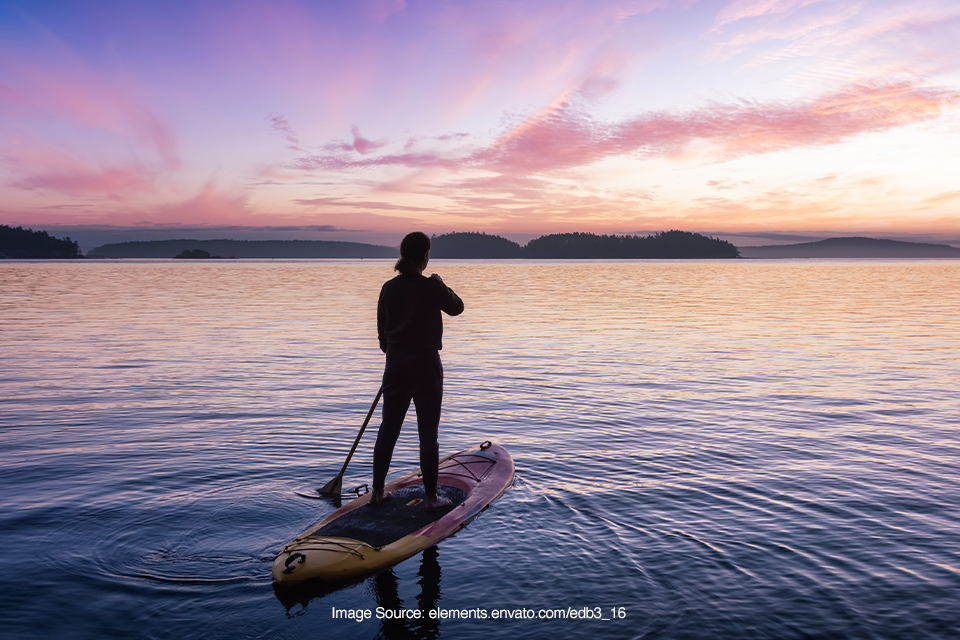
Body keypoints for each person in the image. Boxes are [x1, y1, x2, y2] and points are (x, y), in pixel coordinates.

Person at [370, 232, 464, 510]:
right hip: (425, 367)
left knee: (389, 430)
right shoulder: (431, 287)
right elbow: (457, 307)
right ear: (425, 256)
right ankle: (432, 499)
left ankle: (377, 492)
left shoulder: (388, 288)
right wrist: (441, 284)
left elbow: (382, 338)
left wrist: (397, 354)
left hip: (396, 365)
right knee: (427, 434)